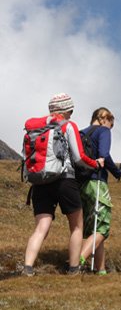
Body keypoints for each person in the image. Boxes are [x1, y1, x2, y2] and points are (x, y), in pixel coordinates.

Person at [23, 93, 104, 276]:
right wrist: (96, 163)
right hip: (64, 180)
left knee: (41, 227)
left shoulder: (35, 129)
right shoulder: (68, 125)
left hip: (40, 182)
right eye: (71, 110)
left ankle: (27, 267)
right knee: (76, 225)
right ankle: (74, 268)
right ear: (67, 110)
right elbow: (79, 157)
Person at [79, 107, 121, 275]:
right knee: (102, 228)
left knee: (93, 228)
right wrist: (119, 173)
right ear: (104, 119)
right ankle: (76, 261)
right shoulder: (103, 131)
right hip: (97, 182)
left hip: (81, 184)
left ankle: (101, 270)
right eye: (111, 124)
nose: (110, 128)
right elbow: (104, 155)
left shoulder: (80, 133)